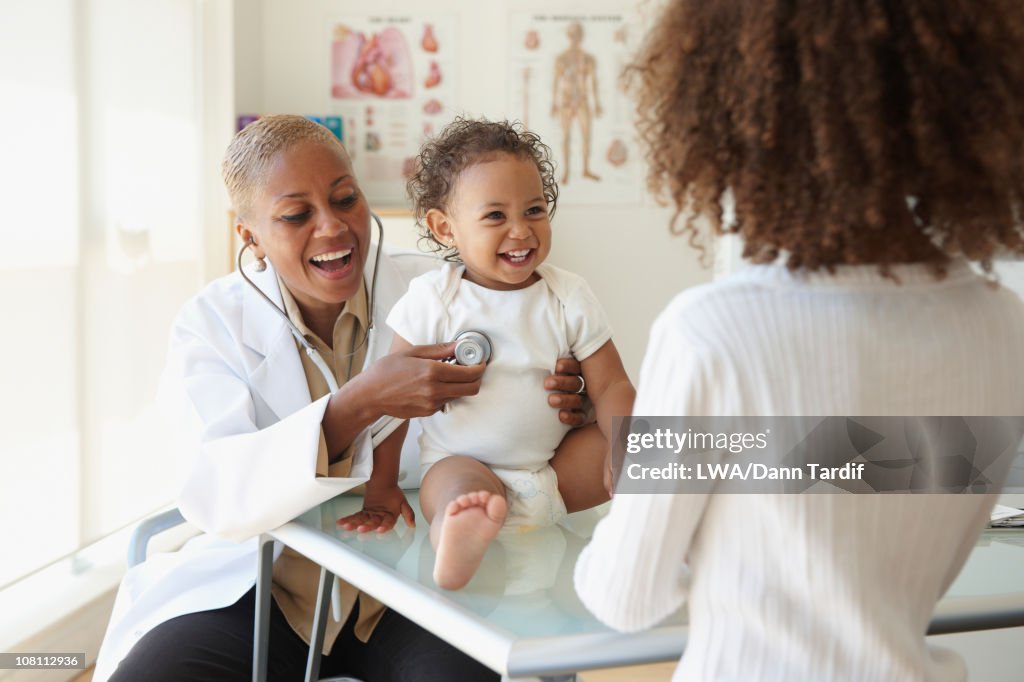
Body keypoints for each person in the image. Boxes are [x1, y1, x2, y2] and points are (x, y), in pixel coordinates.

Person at [574, 1, 1024, 681]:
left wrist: (652, 486)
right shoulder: (1002, 326)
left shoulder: (713, 335)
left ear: (735, 108)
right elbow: (862, 500)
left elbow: (625, 597)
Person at [94, 115, 594, 682]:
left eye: (345, 198)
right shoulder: (211, 325)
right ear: (250, 235)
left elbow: (529, 423)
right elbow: (214, 490)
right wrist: (358, 404)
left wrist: (566, 404)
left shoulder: (449, 293)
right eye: (296, 215)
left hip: (414, 586)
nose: (333, 228)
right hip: (265, 589)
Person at [339, 118, 635, 590]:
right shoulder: (433, 299)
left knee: (646, 444)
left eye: (534, 210)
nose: (520, 231)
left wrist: (624, 446)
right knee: (458, 488)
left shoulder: (568, 295)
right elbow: (392, 405)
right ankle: (462, 534)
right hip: (463, 463)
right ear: (445, 227)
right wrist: (382, 486)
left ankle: (666, 527)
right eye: (496, 216)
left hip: (555, 473)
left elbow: (612, 384)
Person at [551, 22, 602, 184]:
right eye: (572, 34)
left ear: (581, 36)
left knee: (586, 135)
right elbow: (556, 81)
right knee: (566, 137)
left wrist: (597, 103)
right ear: (568, 36)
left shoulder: (588, 59)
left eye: (577, 34)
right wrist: (553, 102)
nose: (575, 38)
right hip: (565, 101)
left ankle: (585, 169)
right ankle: (566, 171)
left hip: (582, 100)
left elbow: (593, 81)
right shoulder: (561, 59)